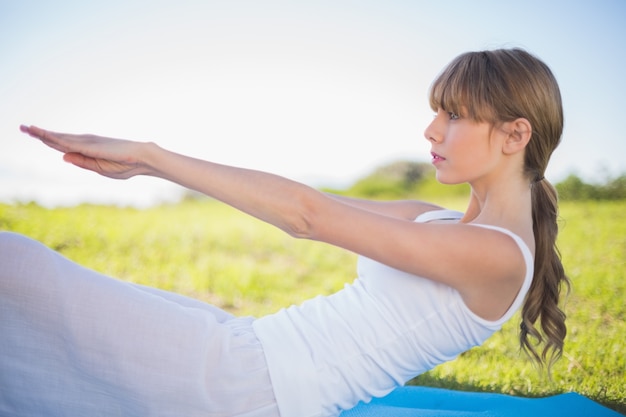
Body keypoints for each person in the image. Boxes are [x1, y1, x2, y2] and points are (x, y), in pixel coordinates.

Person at [1, 48, 569, 417]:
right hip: (247, 347)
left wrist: (153, 154)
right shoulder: (437, 220)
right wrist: (149, 168)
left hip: (251, 391)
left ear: (514, 135)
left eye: (454, 115)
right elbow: (311, 201)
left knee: (17, 271)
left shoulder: (497, 256)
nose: (431, 129)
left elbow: (307, 218)